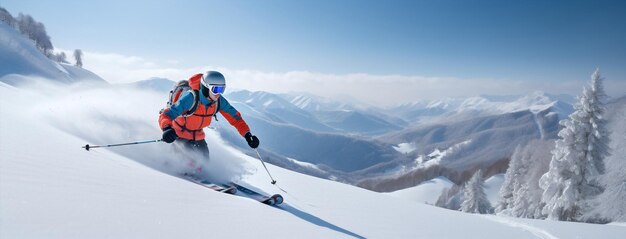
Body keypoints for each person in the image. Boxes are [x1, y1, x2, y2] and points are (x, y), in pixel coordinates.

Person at [158, 71, 259, 173]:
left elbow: (235, 118)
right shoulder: (191, 98)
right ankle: (169, 170)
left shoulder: (218, 101)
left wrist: (247, 134)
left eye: (222, 89)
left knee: (204, 164)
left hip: (198, 136)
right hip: (179, 134)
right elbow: (167, 114)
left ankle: (199, 174)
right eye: (216, 89)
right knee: (182, 161)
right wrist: (167, 128)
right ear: (206, 88)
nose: (219, 93)